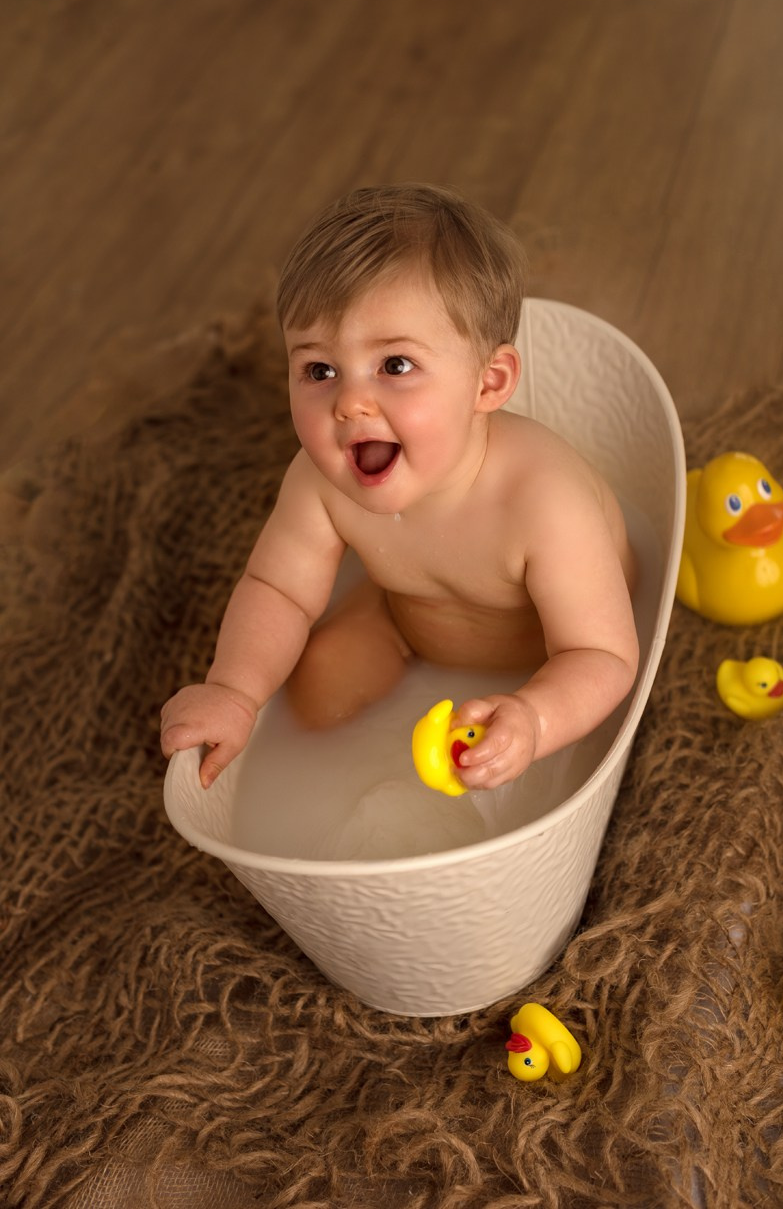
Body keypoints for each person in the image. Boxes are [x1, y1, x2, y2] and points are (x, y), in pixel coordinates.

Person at [160, 184, 639, 791]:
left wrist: (535, 718)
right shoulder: (319, 483)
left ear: (488, 384)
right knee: (317, 693)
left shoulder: (544, 501)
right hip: (405, 618)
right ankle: (343, 793)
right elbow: (276, 588)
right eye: (319, 370)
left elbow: (605, 656)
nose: (350, 403)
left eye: (395, 365)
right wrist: (233, 690)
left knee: (554, 756)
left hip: (551, 658)